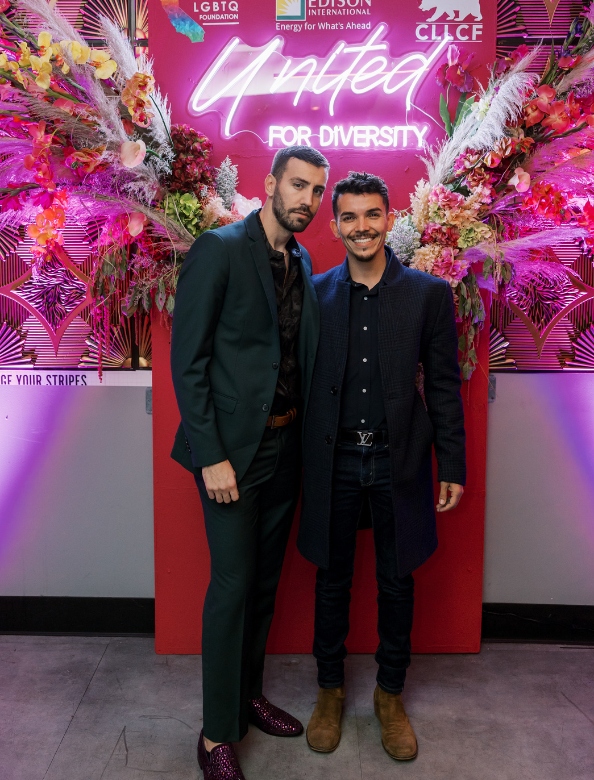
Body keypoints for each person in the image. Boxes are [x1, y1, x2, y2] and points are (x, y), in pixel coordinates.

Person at [170, 146, 329, 780]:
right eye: (298, 186)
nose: (307, 201)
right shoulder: (220, 249)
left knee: (264, 586)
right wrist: (212, 457)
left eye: (316, 192)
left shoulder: (303, 257)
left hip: (286, 448)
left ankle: (247, 698)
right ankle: (214, 735)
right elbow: (189, 362)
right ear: (269, 184)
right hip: (232, 456)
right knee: (232, 588)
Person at [298, 172, 466, 762]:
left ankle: (389, 696)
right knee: (332, 579)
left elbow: (444, 387)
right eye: (349, 217)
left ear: (389, 219)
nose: (361, 227)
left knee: (397, 582)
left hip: (401, 460)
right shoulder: (315, 293)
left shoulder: (428, 294)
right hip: (334, 459)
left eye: (372, 215)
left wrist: (454, 463)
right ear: (335, 223)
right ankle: (329, 692)